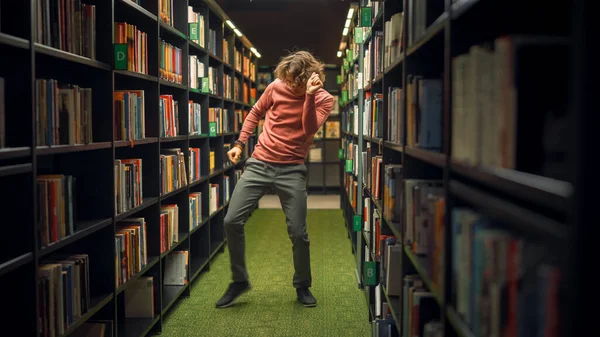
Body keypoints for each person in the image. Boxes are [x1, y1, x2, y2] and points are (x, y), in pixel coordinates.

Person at [216, 51, 334, 308]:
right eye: (287, 79)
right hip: (259, 163)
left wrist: (310, 96)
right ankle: (239, 280)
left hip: (292, 169)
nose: (289, 85)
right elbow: (254, 113)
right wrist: (239, 143)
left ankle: (302, 285)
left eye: (294, 81)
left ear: (308, 78)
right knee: (231, 220)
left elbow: (308, 128)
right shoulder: (275, 86)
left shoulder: (324, 99)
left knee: (298, 232)